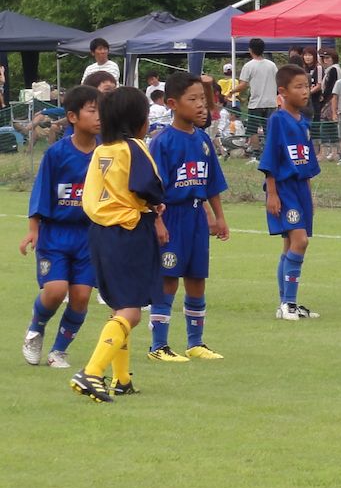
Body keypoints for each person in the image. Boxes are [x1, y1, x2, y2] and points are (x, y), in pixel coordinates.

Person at [69, 87, 165, 403]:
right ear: (137, 121)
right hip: (128, 230)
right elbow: (149, 185)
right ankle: (92, 372)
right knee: (131, 311)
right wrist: (157, 204)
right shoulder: (134, 147)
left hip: (99, 232)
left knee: (119, 305)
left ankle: (121, 379)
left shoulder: (101, 150)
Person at [147, 73, 231, 361]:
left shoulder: (204, 141)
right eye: (192, 99)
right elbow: (153, 189)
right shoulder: (162, 142)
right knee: (168, 278)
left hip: (196, 217)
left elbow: (212, 184)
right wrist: (157, 221)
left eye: (202, 99)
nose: (200, 105)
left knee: (197, 278)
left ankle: (195, 342)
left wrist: (218, 217)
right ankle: (158, 346)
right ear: (172, 103)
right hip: (171, 217)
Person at [20, 86, 100, 369]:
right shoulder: (57, 154)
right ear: (73, 117)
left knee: (80, 297)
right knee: (54, 291)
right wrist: (33, 230)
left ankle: (58, 351)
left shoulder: (106, 154)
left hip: (89, 237)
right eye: (92, 111)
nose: (99, 116)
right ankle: (35, 329)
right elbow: (41, 193)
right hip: (56, 234)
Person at [260, 64, 322, 321]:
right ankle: (288, 303)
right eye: (299, 87)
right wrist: (272, 194)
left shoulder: (304, 123)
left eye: (307, 86)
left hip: (300, 190)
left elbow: (306, 164)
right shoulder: (277, 120)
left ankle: (287, 304)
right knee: (300, 242)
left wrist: (310, 195)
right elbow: (271, 158)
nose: (305, 91)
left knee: (290, 244)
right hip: (284, 189)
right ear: (283, 91)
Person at [236, 38, 278, 164]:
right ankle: (271, 154)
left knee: (252, 130)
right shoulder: (272, 65)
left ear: (250, 50)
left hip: (255, 103)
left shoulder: (249, 66)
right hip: (271, 102)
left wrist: (232, 91)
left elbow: (243, 84)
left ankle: (257, 155)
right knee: (269, 130)